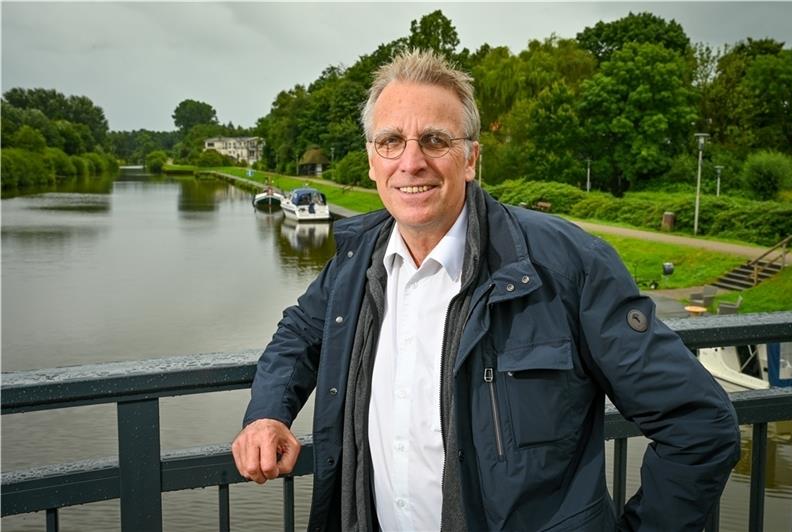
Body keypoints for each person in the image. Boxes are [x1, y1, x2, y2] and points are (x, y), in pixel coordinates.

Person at [232, 50, 740, 532]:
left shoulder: (563, 265)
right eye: (390, 142)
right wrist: (268, 412)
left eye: (435, 140)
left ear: (471, 158)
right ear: (371, 161)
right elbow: (299, 332)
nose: (410, 162)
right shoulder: (356, 260)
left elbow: (698, 426)